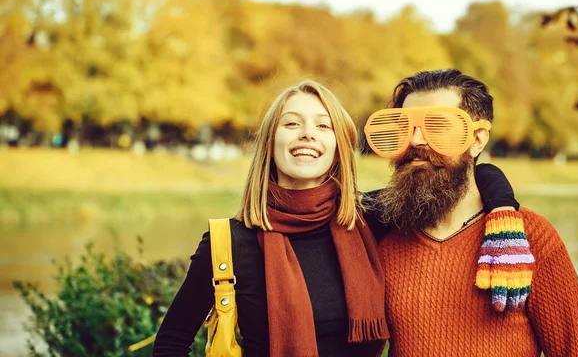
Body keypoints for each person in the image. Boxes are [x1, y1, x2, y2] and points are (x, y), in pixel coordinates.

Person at [153, 80, 517, 357]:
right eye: (291, 123)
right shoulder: (229, 242)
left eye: (323, 126)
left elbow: (464, 174)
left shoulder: (370, 219)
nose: (308, 133)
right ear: (270, 142)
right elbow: (171, 341)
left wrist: (503, 211)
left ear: (338, 147)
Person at [366, 69, 578, 357]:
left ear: (478, 140)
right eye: (405, 127)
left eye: (438, 125)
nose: (416, 140)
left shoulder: (530, 238)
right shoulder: (382, 234)